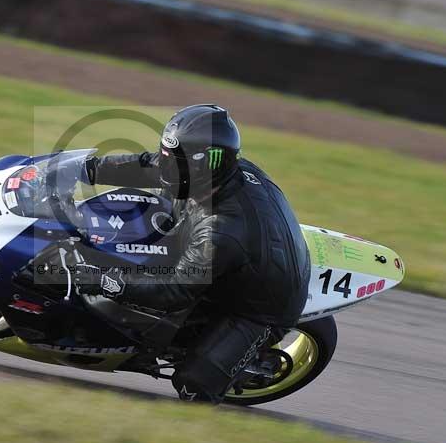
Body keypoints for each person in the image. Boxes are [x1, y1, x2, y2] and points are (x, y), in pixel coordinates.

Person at [75, 104, 310, 404]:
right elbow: (149, 165)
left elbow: (173, 291)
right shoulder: (213, 175)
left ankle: (243, 362)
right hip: (236, 257)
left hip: (259, 310)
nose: (167, 168)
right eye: (168, 158)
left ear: (206, 166)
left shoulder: (222, 229)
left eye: (177, 162)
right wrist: (89, 169)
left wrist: (107, 282)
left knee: (193, 388)